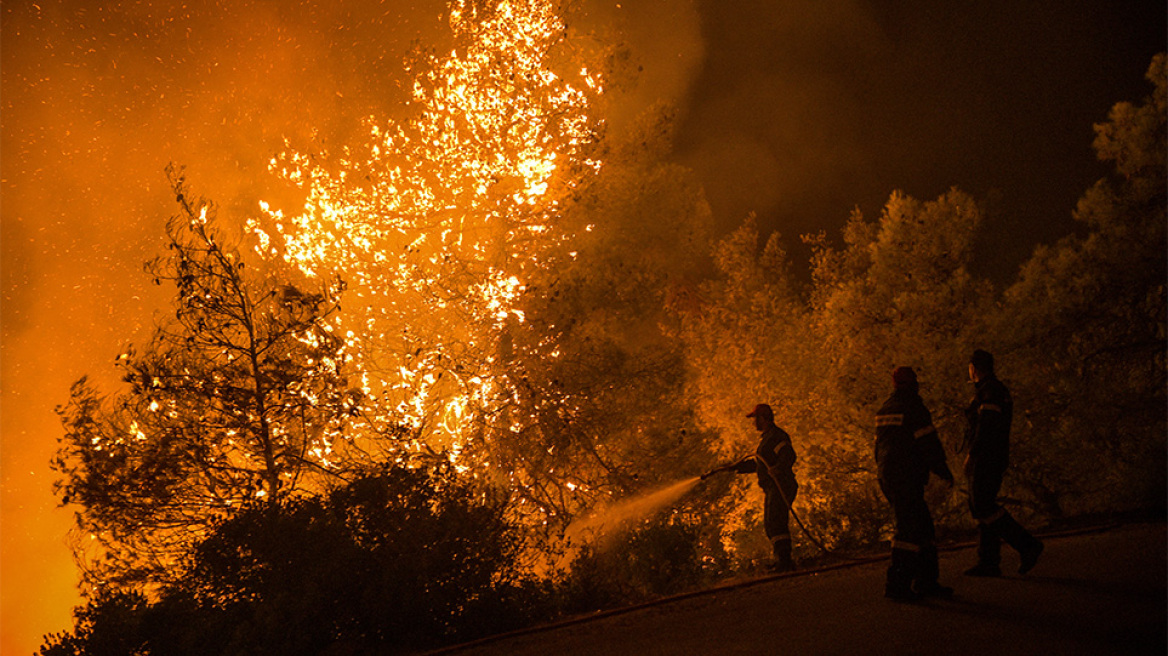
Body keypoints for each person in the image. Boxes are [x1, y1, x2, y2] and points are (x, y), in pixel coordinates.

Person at [875, 366, 955, 601]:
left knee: (922, 527)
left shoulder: (885, 409)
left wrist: (883, 476)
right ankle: (897, 586)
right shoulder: (913, 408)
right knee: (909, 531)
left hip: (889, 476)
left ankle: (926, 582)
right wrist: (943, 471)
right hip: (906, 476)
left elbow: (879, 449)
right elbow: (928, 444)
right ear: (914, 384)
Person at [962, 349, 1044, 577]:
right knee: (982, 504)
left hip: (988, 457)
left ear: (974, 368)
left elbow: (986, 427)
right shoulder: (991, 390)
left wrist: (972, 454)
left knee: (983, 504)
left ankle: (1027, 545)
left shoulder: (990, 391)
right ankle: (988, 561)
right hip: (992, 456)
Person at [730, 403, 799, 572]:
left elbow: (789, 455)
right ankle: (781, 559)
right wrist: (735, 467)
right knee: (771, 523)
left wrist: (779, 468)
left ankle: (785, 562)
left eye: (755, 419)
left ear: (763, 419)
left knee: (776, 522)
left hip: (781, 485)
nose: (754, 423)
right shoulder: (768, 438)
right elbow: (761, 464)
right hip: (772, 487)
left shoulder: (776, 436)